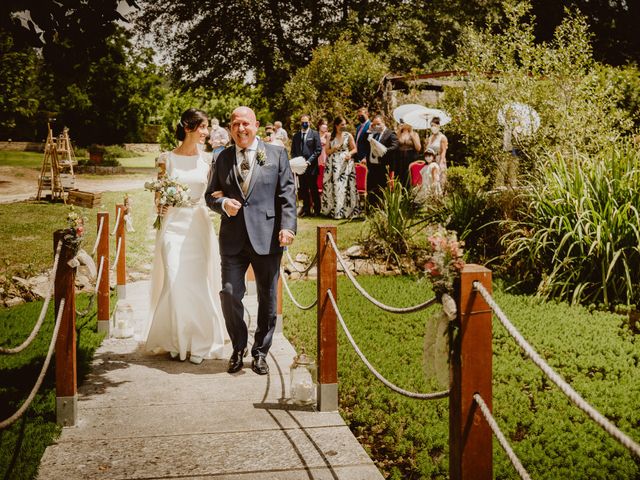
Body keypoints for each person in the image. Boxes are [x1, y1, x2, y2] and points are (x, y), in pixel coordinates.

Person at [206, 106, 297, 375]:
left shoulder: (277, 154)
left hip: (267, 236)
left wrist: (288, 227)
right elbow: (210, 195)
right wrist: (222, 202)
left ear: (256, 125)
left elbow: (287, 196)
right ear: (230, 127)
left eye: (246, 123)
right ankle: (238, 346)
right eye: (235, 124)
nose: (241, 129)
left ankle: (260, 352)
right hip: (233, 238)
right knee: (229, 293)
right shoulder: (221, 158)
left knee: (268, 298)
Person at [144, 108, 226, 365]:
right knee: (175, 277)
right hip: (173, 226)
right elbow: (158, 194)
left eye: (206, 128)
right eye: (201, 127)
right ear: (188, 128)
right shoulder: (165, 158)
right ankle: (177, 340)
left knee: (198, 282)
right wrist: (161, 205)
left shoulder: (209, 160)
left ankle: (200, 340)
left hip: (198, 224)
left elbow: (215, 192)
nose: (206, 132)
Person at [321, 116, 358, 219]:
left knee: (344, 187)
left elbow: (354, 149)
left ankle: (346, 211)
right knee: (334, 186)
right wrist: (333, 148)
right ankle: (333, 210)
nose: (344, 126)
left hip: (345, 163)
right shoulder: (330, 136)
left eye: (345, 124)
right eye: (342, 124)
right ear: (336, 125)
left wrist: (350, 154)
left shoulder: (348, 135)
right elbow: (327, 151)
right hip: (333, 164)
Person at [291, 114, 322, 217]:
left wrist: (309, 161)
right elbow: (293, 151)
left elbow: (318, 150)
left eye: (306, 122)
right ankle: (306, 209)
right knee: (303, 190)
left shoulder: (314, 134)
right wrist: (297, 162)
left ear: (309, 122)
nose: (304, 124)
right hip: (300, 168)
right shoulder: (296, 136)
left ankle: (317, 210)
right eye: (302, 122)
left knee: (313, 189)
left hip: (311, 167)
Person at [365, 114, 398, 206]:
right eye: (374, 124)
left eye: (378, 124)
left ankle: (382, 210)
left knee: (382, 190)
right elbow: (366, 144)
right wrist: (370, 130)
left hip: (384, 166)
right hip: (373, 166)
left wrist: (383, 150)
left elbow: (395, 146)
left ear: (383, 123)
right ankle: (371, 210)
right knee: (371, 189)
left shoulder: (391, 133)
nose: (376, 126)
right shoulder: (373, 134)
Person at [394, 122, 421, 187]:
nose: (404, 123)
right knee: (399, 176)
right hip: (399, 158)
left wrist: (412, 136)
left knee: (410, 176)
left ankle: (410, 193)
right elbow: (394, 145)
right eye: (403, 122)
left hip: (411, 157)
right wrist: (399, 131)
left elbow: (418, 148)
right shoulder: (398, 133)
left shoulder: (414, 134)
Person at [425, 117, 448, 184]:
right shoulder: (430, 137)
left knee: (440, 180)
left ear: (438, 126)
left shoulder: (442, 137)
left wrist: (441, 163)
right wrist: (426, 144)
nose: (433, 127)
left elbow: (444, 151)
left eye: (434, 125)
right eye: (431, 125)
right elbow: (426, 151)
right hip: (430, 160)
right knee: (431, 180)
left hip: (439, 158)